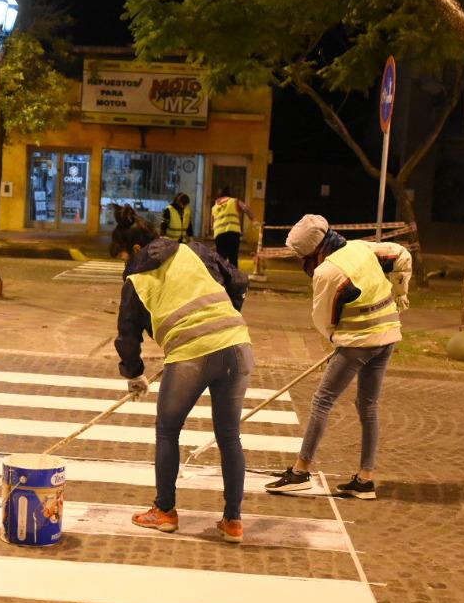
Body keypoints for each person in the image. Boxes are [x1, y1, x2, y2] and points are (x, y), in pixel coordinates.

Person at [111, 205, 254, 544]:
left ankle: (165, 512)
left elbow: (127, 336)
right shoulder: (194, 250)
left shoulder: (136, 278)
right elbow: (237, 280)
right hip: (237, 344)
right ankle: (233, 520)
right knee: (229, 435)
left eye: (121, 257)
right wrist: (224, 318)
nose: (123, 265)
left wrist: (134, 374)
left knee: (167, 430)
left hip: (192, 356)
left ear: (134, 250)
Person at [265, 214, 412, 500]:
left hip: (360, 341)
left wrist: (337, 339)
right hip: (389, 336)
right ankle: (365, 479)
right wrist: (400, 291)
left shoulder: (327, 272)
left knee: (322, 400)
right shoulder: (360, 247)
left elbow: (323, 319)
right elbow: (401, 254)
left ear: (312, 251)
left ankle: (300, 472)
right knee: (368, 405)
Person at [210, 187, 255, 267]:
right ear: (229, 195)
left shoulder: (214, 207)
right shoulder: (234, 201)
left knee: (221, 259)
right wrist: (254, 220)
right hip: (233, 233)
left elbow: (212, 225)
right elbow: (246, 208)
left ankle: (222, 278)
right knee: (233, 258)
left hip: (219, 235)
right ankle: (234, 277)